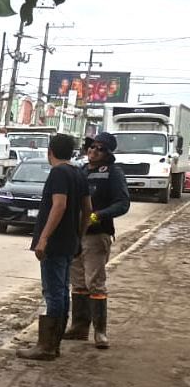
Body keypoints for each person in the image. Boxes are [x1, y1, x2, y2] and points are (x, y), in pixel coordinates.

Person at [17, 133, 93, 361]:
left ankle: (47, 346)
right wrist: (79, 235)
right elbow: (87, 208)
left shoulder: (58, 173)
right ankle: (53, 342)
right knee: (61, 290)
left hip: (56, 243)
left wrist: (44, 238)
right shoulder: (79, 172)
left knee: (54, 291)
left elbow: (59, 206)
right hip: (69, 241)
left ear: (50, 151)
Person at [66, 132, 129, 349]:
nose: (93, 151)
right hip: (77, 235)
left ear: (108, 153)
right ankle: (79, 327)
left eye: (99, 148)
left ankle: (100, 332)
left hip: (97, 235)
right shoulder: (81, 171)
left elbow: (123, 204)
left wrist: (98, 215)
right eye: (91, 146)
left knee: (95, 282)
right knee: (78, 282)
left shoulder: (113, 173)